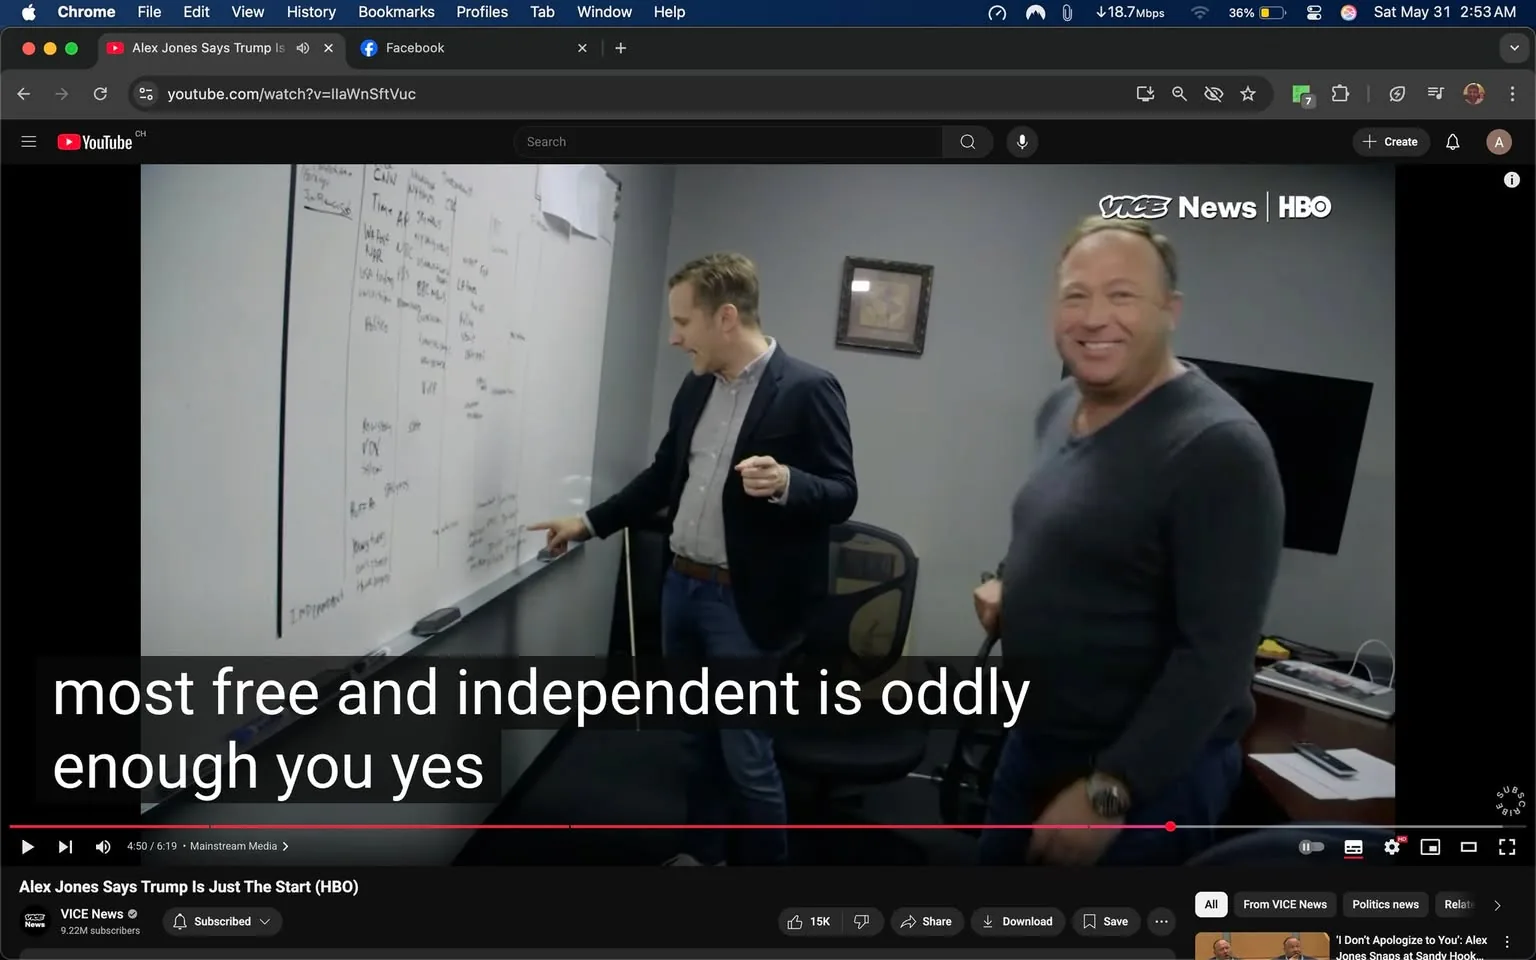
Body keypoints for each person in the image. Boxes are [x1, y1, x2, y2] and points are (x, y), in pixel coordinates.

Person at [972, 216, 1285, 866]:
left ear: (1170, 311)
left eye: (1121, 295)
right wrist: (1013, 583)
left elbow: (1215, 660)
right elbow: (1060, 523)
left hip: (1141, 780)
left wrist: (1110, 791)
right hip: (1036, 742)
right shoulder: (1060, 405)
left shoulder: (1220, 448)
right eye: (1075, 295)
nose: (1094, 317)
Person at [529, 252, 858, 866]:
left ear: (726, 318)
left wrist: (789, 481)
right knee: (694, 744)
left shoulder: (809, 388)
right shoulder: (696, 385)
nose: (674, 336)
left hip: (747, 605)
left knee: (746, 757)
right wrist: (588, 523)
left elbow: (842, 493)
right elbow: (661, 477)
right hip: (682, 588)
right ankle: (703, 856)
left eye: (684, 321)